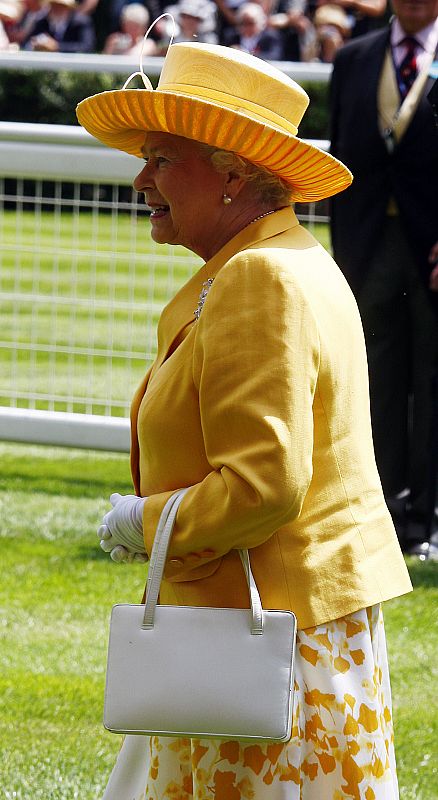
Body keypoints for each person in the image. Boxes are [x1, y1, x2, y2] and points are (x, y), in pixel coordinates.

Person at [76, 41, 412, 800]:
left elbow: (262, 486)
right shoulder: (283, 256)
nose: (141, 180)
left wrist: (146, 521)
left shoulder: (260, 275)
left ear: (232, 171)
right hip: (281, 644)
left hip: (272, 657)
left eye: (162, 158)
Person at [329, 0, 438, 557]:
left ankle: (426, 519)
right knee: (371, 384)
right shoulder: (354, 58)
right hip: (368, 247)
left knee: (432, 384)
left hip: (432, 249)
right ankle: (380, 514)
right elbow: (338, 157)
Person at [23, 0, 95, 51]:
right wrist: (36, 45)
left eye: (61, 6)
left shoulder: (81, 22)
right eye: (54, 5)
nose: (56, 8)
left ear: (68, 8)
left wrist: (57, 46)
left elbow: (87, 46)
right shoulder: (42, 22)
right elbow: (27, 42)